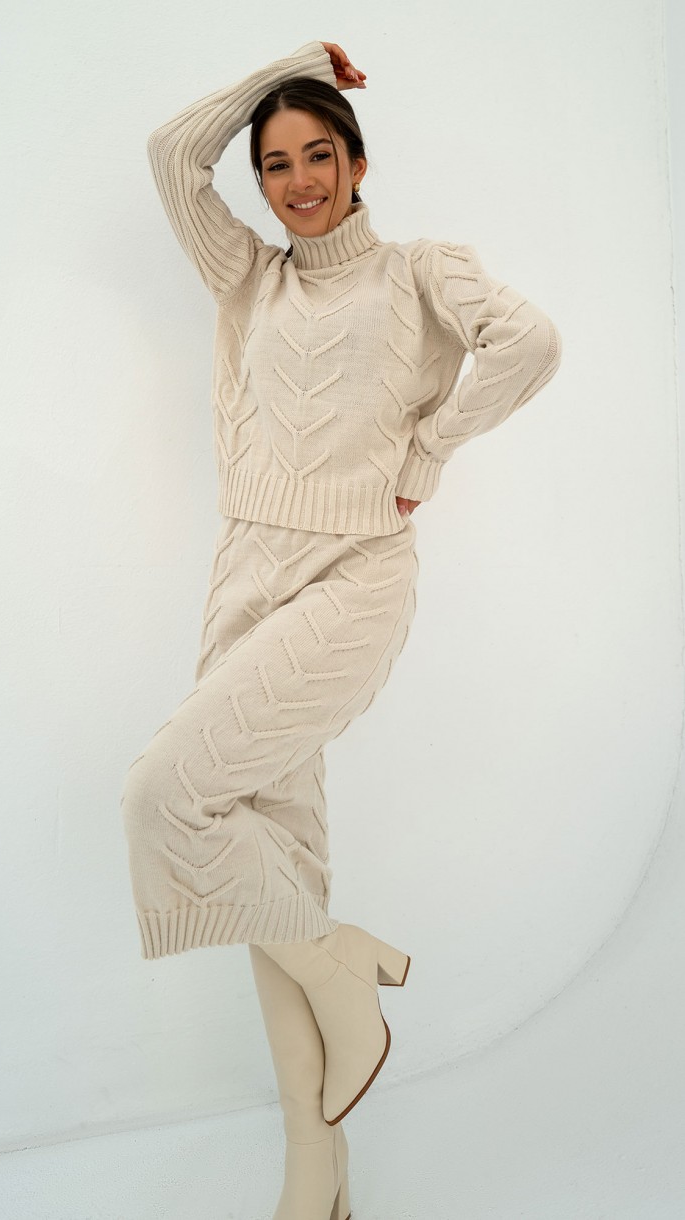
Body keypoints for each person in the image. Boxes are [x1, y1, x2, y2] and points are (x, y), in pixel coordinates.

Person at [120, 39, 563, 1220]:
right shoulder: (246, 275)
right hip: (243, 576)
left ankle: (339, 964)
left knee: (164, 795)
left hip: (354, 576)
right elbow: (169, 154)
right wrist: (282, 68)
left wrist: (431, 444)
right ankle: (315, 1172)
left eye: (318, 154)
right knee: (273, 864)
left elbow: (529, 341)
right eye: (275, 164)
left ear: (357, 162)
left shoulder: (419, 273)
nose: (298, 181)